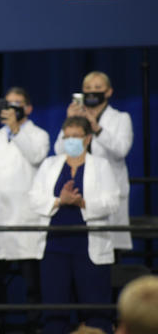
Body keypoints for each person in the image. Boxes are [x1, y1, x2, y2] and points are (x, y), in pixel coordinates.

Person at [30, 116, 119, 334]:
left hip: (88, 245)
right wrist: (60, 201)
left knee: (95, 307)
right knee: (54, 307)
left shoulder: (101, 165)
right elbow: (34, 198)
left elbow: (112, 201)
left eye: (76, 137)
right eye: (66, 137)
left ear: (87, 139)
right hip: (54, 245)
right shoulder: (50, 165)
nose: (70, 141)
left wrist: (83, 203)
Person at [0, 87, 49, 331]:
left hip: (27, 219)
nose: (12, 108)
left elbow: (37, 156)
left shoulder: (39, 135)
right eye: (8, 104)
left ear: (28, 108)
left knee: (31, 281)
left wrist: (17, 130)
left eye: (18, 104)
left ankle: (34, 325)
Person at [53, 71, 133, 251]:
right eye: (87, 88)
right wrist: (70, 120)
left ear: (109, 91)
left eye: (97, 88)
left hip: (107, 190)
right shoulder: (76, 120)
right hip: (78, 189)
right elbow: (59, 151)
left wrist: (96, 127)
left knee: (108, 249)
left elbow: (121, 149)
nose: (92, 92)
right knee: (79, 244)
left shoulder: (120, 118)